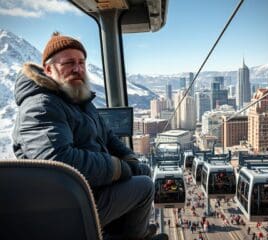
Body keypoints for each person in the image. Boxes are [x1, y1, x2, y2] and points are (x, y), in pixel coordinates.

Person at [12, 32, 168, 240]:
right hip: (64, 206)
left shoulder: (78, 99)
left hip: (86, 190)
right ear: (48, 70)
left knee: (143, 172)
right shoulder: (41, 106)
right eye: (68, 63)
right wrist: (117, 168)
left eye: (81, 62)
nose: (77, 69)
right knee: (144, 187)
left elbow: (108, 136)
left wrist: (129, 158)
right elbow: (58, 162)